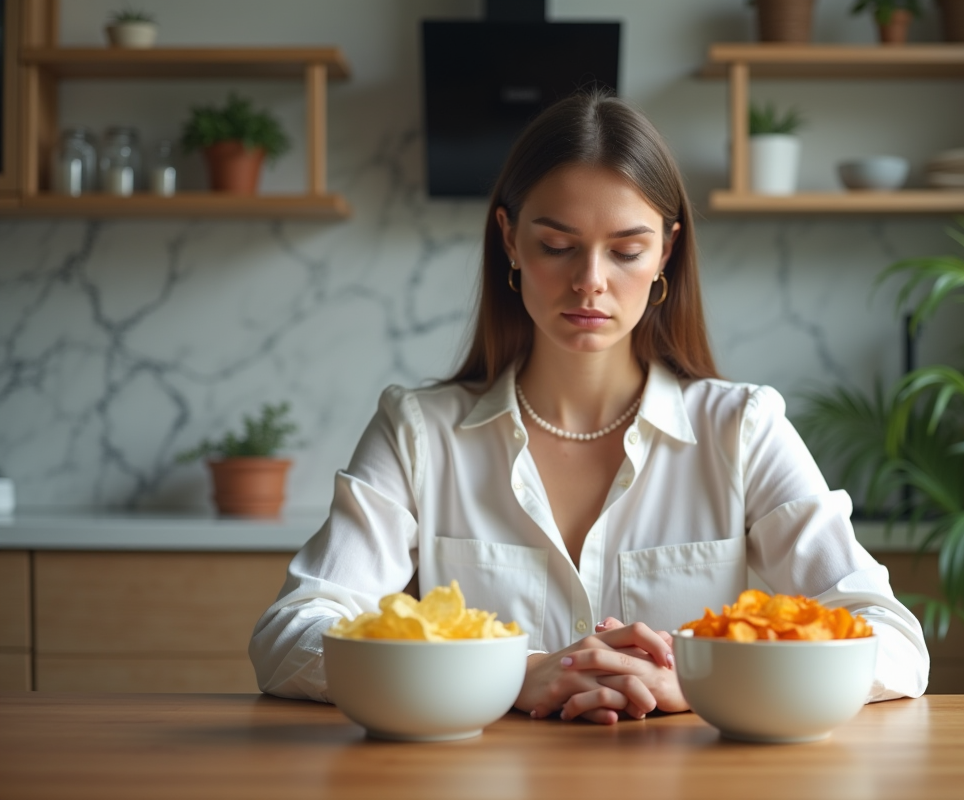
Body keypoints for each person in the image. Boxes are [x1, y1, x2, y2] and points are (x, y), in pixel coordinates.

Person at [249, 91, 929, 724]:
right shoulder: (418, 433)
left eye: (627, 250)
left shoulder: (741, 428)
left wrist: (698, 679)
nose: (590, 282)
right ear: (510, 241)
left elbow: (894, 640)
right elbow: (291, 635)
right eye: (557, 246)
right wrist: (511, 675)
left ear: (667, 250)